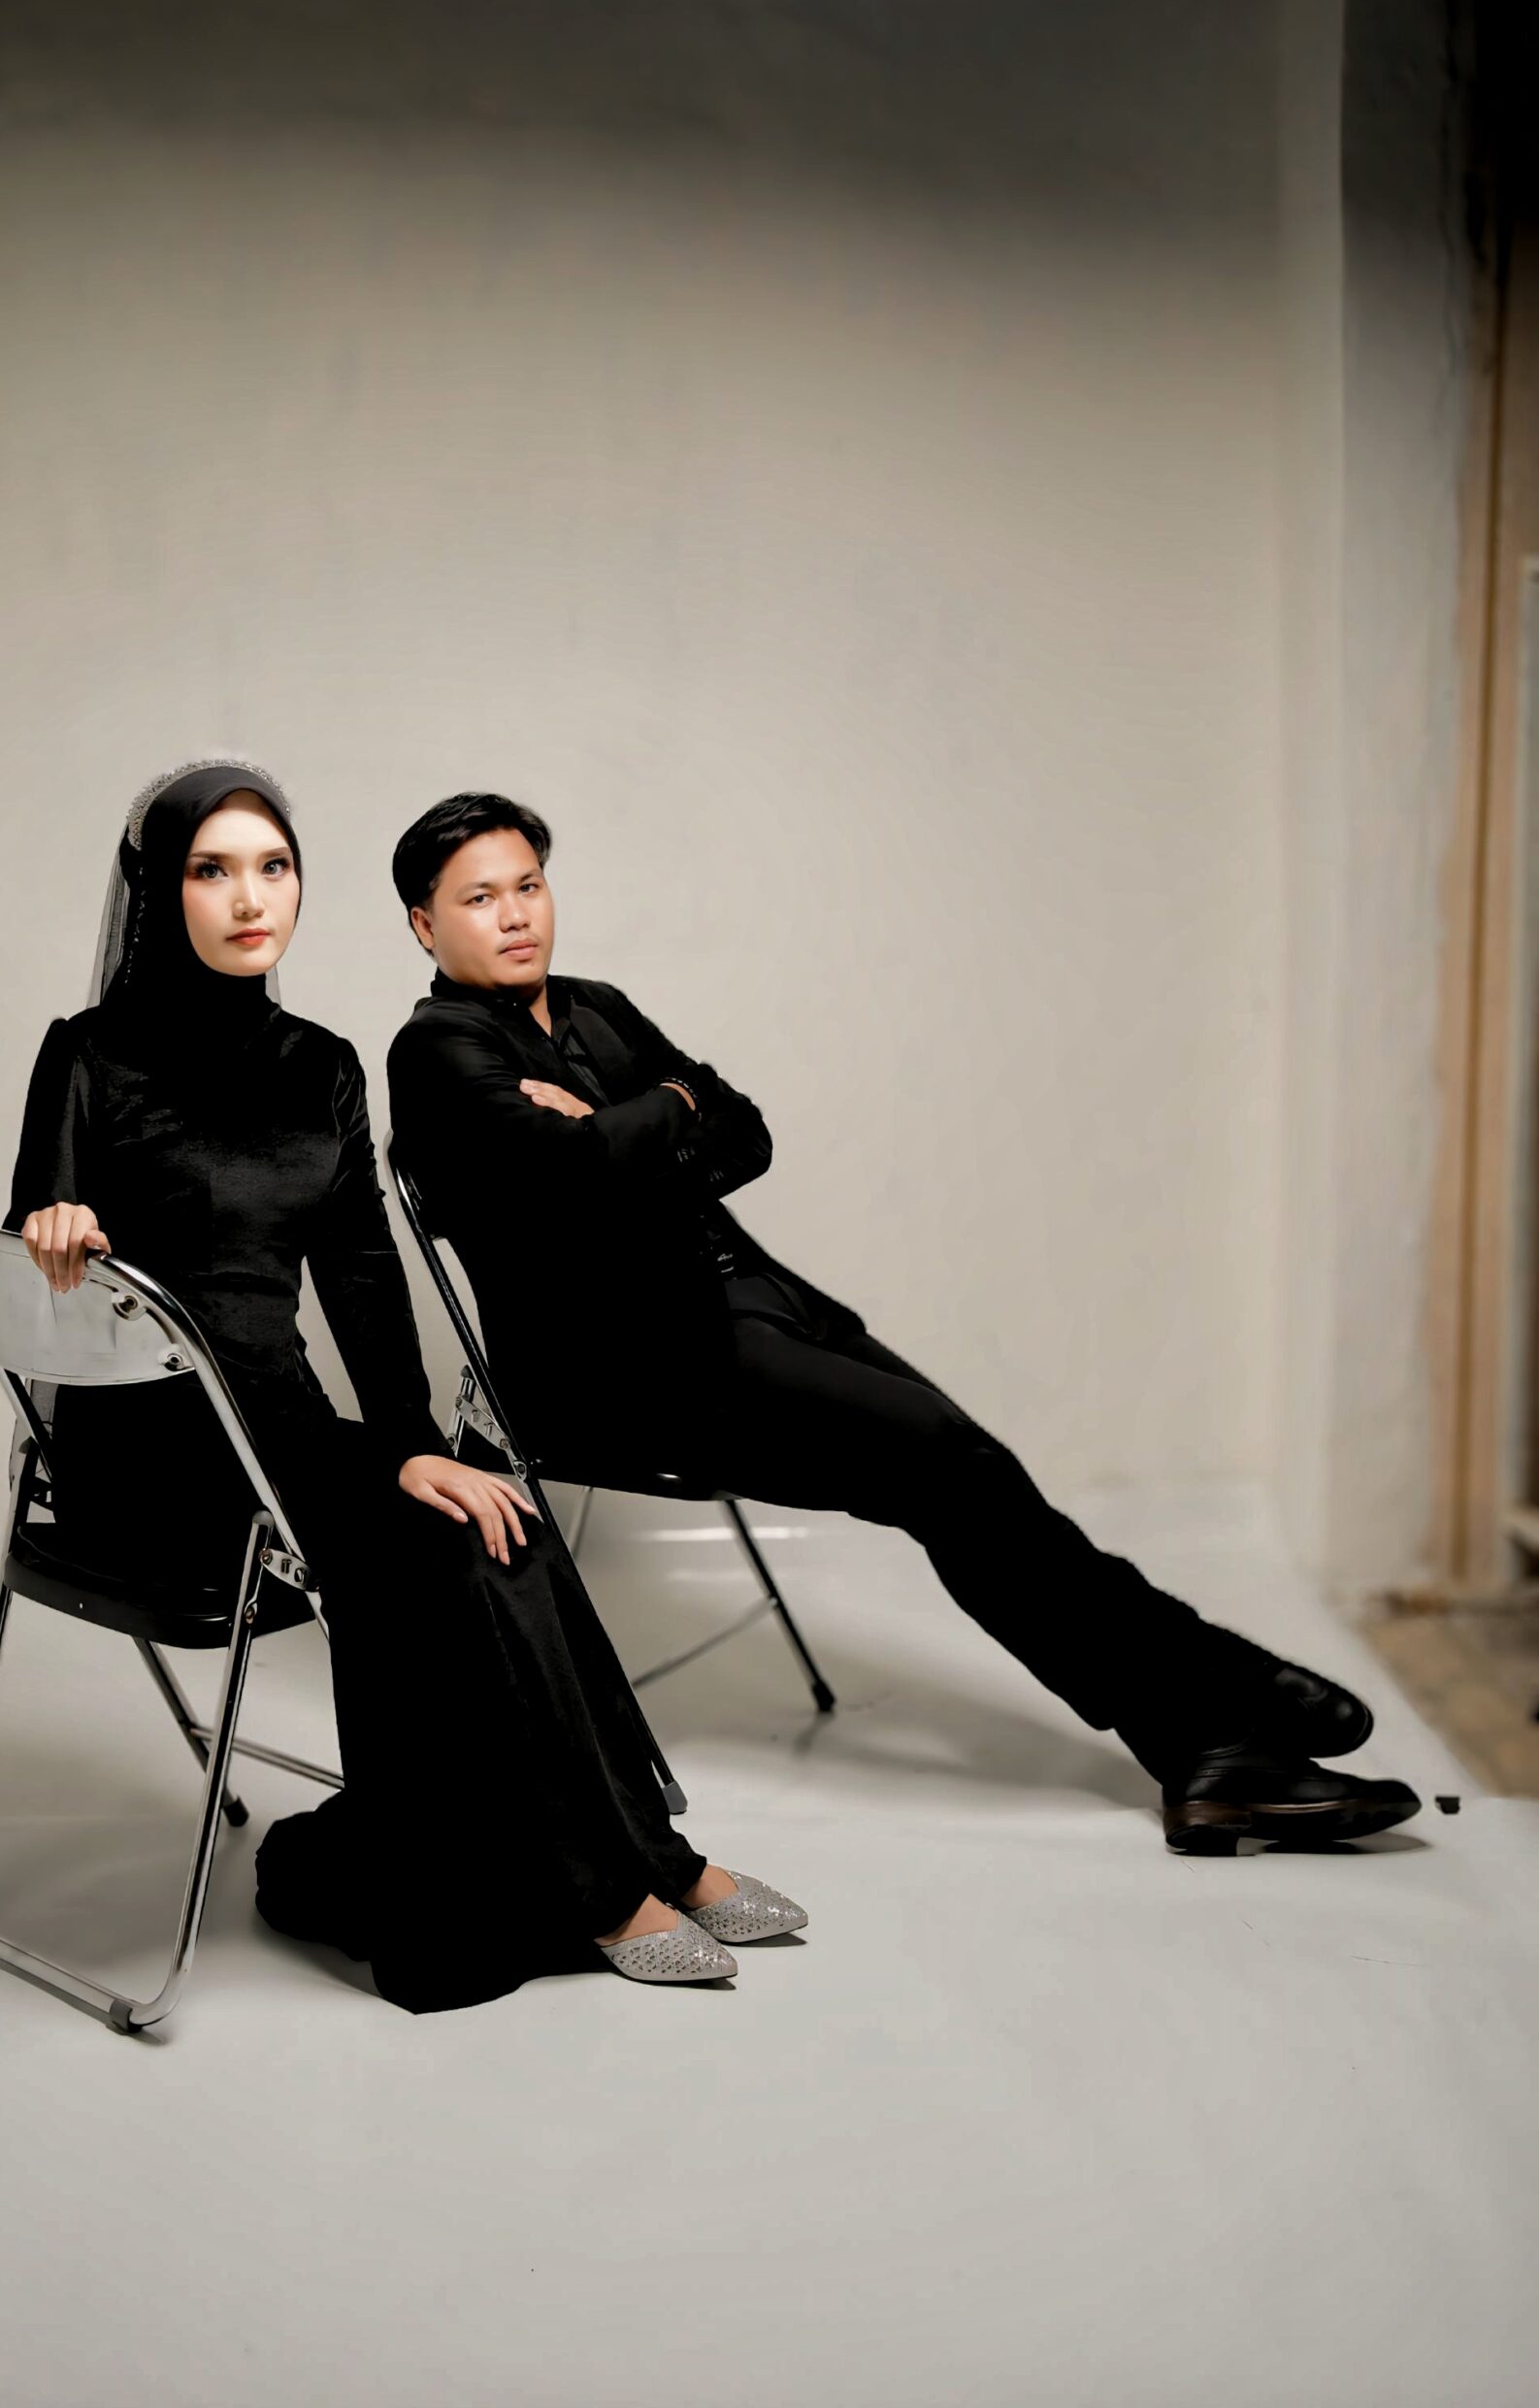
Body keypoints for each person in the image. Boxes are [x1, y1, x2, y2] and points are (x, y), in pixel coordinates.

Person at [384, 790, 1423, 1858]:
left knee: (968, 1464)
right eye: (480, 898)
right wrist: (665, 1111)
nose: (516, 914)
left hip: (749, 1301)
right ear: (425, 924)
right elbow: (578, 1174)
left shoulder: (594, 1005)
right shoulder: (435, 1052)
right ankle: (1217, 1713)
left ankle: (1210, 1723)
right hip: (628, 1368)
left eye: (529, 885)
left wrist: (640, 1124)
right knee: (944, 1465)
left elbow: (744, 1130)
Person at [2, 757, 806, 2010]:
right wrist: (54, 1230)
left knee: (492, 1506)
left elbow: (364, 1281)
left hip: (285, 1435)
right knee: (435, 1542)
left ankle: (652, 1856)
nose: (250, 897)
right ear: (162, 891)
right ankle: (600, 1889)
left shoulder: (320, 1065)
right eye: (212, 870)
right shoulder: (88, 1056)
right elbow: (32, 1237)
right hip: (152, 1458)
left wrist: (410, 1441)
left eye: (273, 866)